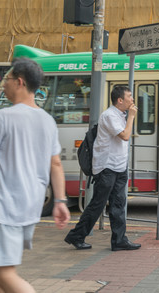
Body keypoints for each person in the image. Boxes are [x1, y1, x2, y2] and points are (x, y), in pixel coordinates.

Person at [0, 58, 70, 292]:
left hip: (5, 207)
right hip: (30, 207)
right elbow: (55, 164)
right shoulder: (47, 121)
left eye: (7, 79)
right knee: (2, 268)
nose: (4, 84)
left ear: (20, 82)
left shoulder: (4, 117)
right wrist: (60, 201)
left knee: (4, 273)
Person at [64, 85, 141, 251]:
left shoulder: (120, 114)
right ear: (120, 100)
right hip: (107, 167)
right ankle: (76, 236)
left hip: (119, 166)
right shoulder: (109, 116)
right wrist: (132, 117)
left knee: (118, 204)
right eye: (129, 96)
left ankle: (119, 240)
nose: (132, 99)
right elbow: (125, 136)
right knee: (97, 204)